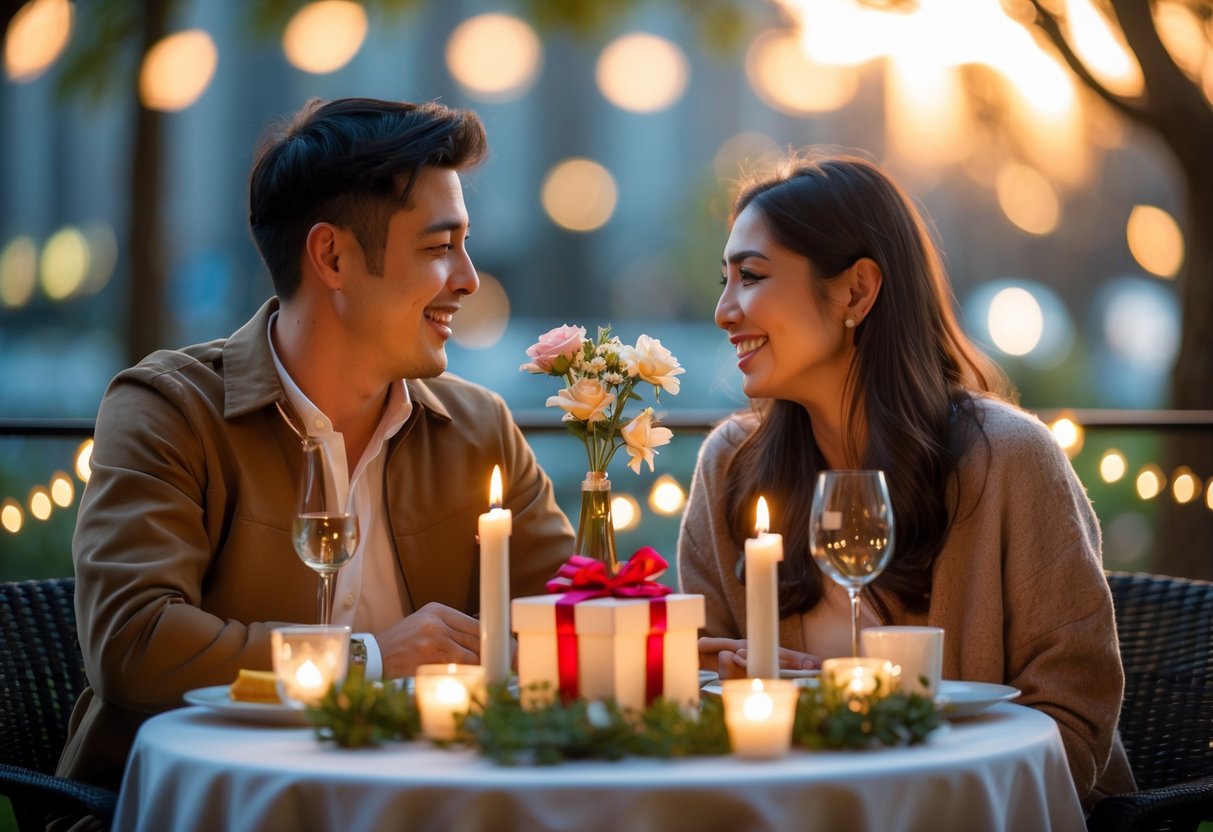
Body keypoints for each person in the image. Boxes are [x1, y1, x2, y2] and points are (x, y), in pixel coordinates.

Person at [57, 98, 574, 790]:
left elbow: (571, 612)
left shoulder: (479, 429)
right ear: (331, 256)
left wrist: (679, 643)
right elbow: (136, 643)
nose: (468, 279)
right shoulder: (168, 410)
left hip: (426, 801)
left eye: (465, 244)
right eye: (438, 247)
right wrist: (363, 658)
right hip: (212, 805)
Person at [677, 151, 1135, 808]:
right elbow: (698, 685)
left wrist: (879, 741)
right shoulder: (731, 466)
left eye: (749, 277)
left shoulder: (1008, 459)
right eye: (723, 280)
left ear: (856, 291)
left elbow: (1073, 722)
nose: (724, 310)